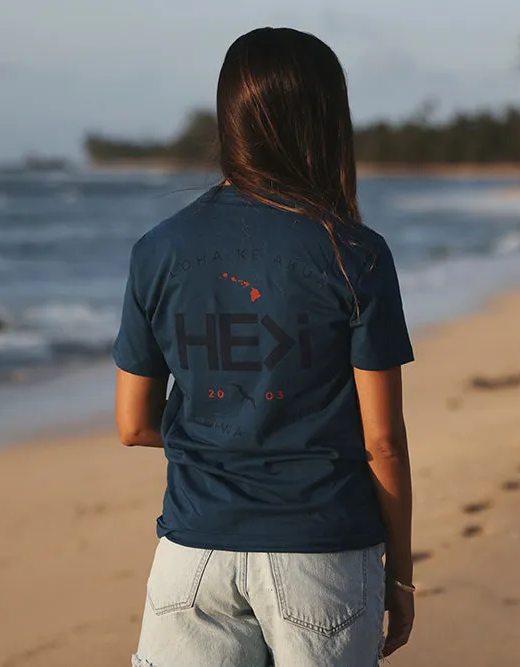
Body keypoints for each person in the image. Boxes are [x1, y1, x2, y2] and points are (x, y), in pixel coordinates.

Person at [113, 26, 415, 667]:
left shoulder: (157, 250)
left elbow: (133, 425)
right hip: (323, 553)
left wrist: (227, 431)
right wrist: (401, 574)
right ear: (327, 121)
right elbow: (381, 440)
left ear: (231, 120)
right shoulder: (353, 252)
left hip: (194, 558)